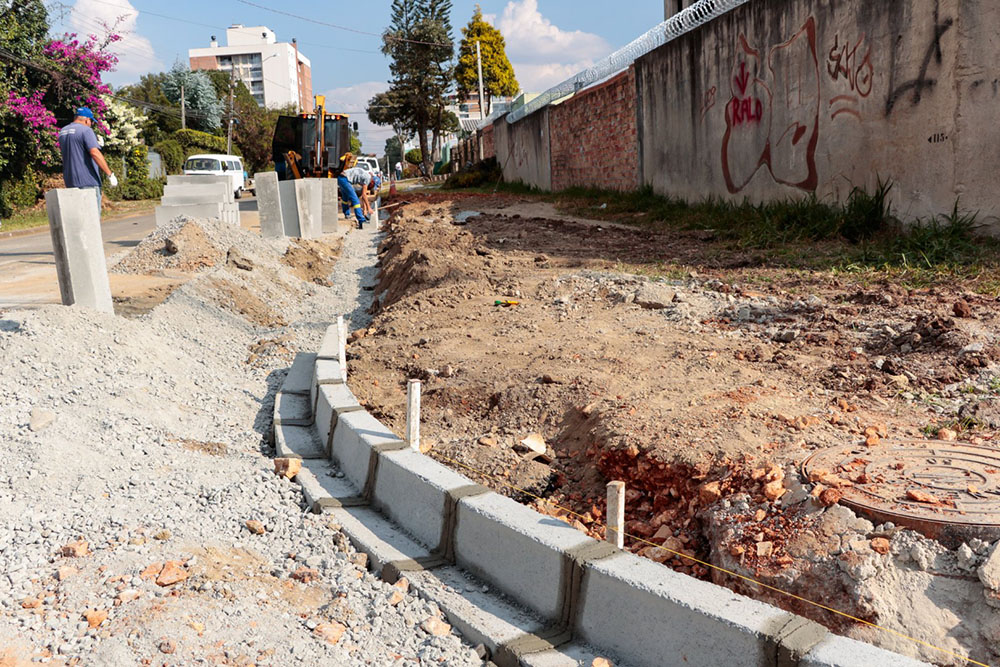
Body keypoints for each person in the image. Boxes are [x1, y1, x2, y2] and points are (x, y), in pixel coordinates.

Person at [57, 107, 117, 215]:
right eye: (91, 122)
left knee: (78, 220)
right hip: (88, 182)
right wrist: (110, 174)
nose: (91, 125)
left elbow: (75, 151)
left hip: (70, 182)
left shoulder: (63, 132)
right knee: (91, 221)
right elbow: (94, 153)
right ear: (86, 120)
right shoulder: (86, 130)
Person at [334, 153, 368, 229]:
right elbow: (364, 195)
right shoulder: (366, 179)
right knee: (355, 199)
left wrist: (366, 210)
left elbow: (364, 195)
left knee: (345, 197)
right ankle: (361, 220)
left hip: (341, 178)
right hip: (345, 179)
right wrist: (368, 209)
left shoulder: (364, 173)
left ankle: (347, 214)